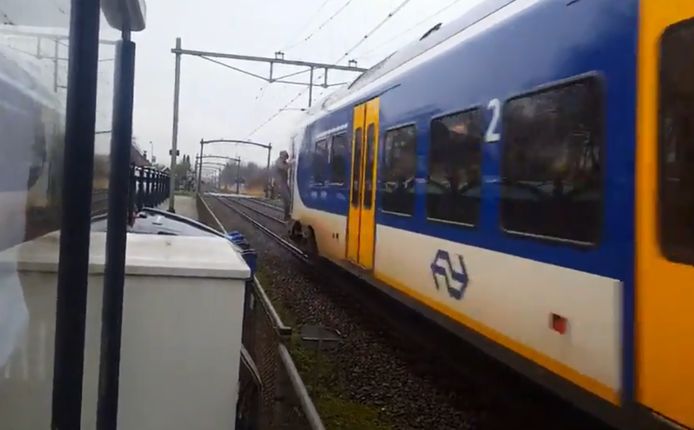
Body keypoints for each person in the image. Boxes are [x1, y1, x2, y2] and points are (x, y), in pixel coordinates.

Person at [273, 150, 292, 220]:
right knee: (287, 199)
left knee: (289, 199)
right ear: (282, 156)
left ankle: (287, 214)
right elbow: (283, 167)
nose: (286, 159)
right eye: (285, 157)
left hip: (284, 183)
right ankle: (286, 216)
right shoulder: (278, 162)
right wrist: (291, 163)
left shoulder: (284, 162)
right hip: (280, 184)